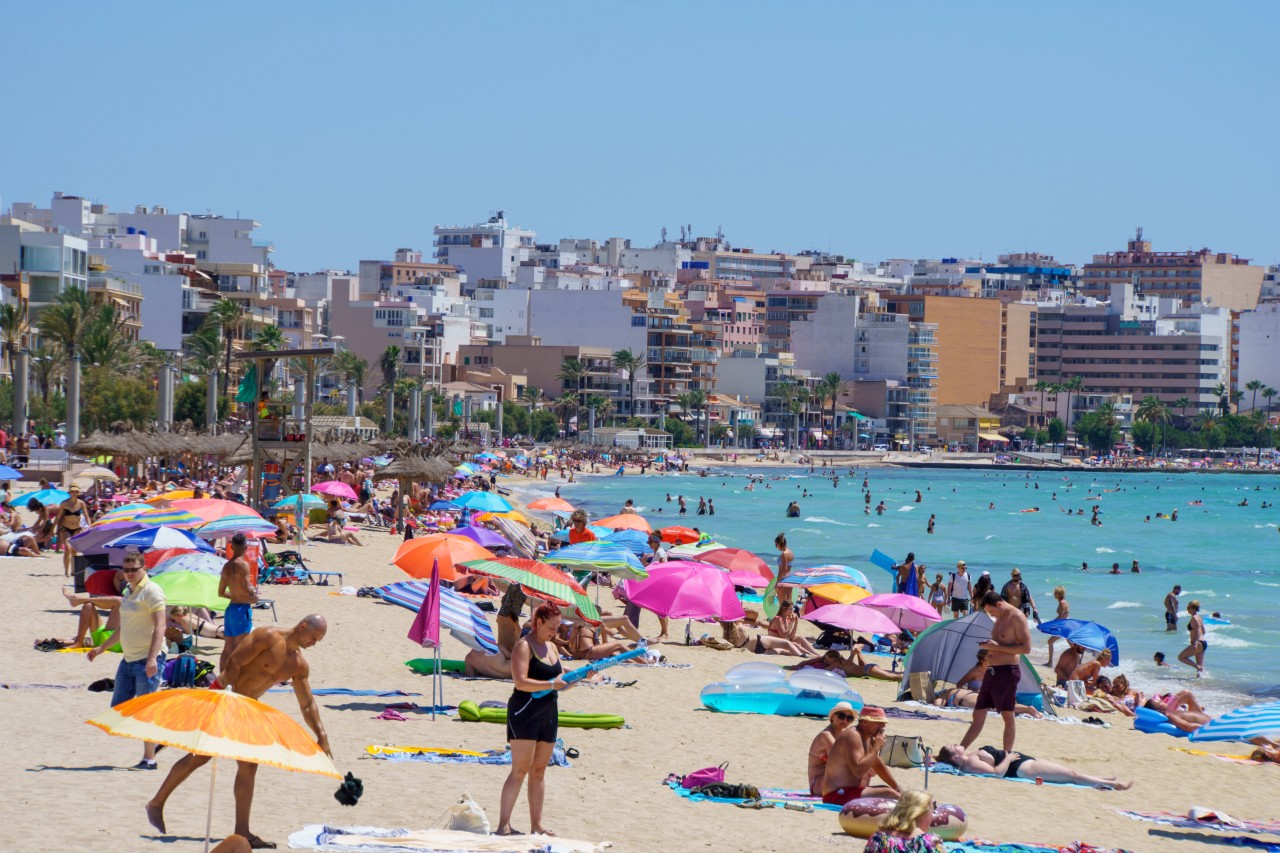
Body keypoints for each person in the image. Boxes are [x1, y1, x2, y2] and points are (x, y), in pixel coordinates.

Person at [147, 616, 331, 849]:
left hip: (248, 706)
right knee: (200, 756)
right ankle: (156, 803)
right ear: (303, 626)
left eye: (318, 640)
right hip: (225, 694)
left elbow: (307, 704)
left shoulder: (298, 665)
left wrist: (322, 736)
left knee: (249, 765)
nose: (314, 642)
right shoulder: (268, 636)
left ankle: (242, 830)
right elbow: (234, 662)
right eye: (313, 637)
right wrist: (230, 696)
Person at [496, 603, 573, 837]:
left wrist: (583, 677)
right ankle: (503, 825)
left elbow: (561, 681)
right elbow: (520, 682)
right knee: (520, 769)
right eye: (551, 627)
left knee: (539, 770)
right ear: (538, 622)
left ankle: (536, 825)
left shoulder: (552, 647)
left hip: (548, 711)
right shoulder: (523, 646)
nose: (555, 632)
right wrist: (552, 684)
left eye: (557, 627)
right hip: (525, 711)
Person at [87, 551, 166, 770]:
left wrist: (152, 658)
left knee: (145, 709)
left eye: (134, 569)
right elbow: (124, 628)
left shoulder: (151, 591)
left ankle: (149, 759)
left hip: (148, 660)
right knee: (118, 709)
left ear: (144, 569)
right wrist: (101, 648)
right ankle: (156, 739)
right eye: (126, 569)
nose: (129, 573)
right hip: (129, 659)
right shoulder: (128, 591)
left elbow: (161, 626)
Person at [959, 591, 1030, 753]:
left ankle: (1007, 755)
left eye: (991, 611)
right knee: (978, 714)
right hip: (991, 671)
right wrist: (989, 646)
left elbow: (1026, 648)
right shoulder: (1000, 618)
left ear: (999, 604)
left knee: (1007, 715)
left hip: (1007, 672)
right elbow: (1001, 642)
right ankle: (960, 750)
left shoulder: (1017, 617)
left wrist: (995, 647)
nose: (991, 615)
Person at [934, 744, 1131, 790]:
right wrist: (1009, 758)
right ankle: (1114, 785)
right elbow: (996, 774)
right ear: (955, 756)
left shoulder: (969, 758)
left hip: (1024, 763)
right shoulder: (970, 763)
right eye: (953, 746)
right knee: (1071, 774)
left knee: (1070, 773)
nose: (956, 743)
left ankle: (1103, 779)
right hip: (1022, 768)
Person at [822, 706, 902, 805]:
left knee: (890, 790)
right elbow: (858, 771)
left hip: (851, 792)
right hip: (836, 795)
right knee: (890, 794)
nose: (883, 726)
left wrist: (897, 788)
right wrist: (876, 747)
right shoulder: (853, 735)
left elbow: (877, 764)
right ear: (864, 722)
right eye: (878, 723)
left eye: (884, 723)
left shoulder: (867, 736)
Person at [218, 533, 258, 672]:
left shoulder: (226, 567)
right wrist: (254, 596)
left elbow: (221, 592)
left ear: (231, 547)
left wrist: (234, 594)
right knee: (241, 647)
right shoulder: (244, 565)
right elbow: (248, 588)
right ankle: (235, 678)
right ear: (246, 547)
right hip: (242, 609)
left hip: (230, 610)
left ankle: (221, 678)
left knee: (227, 647)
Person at [863, 789, 946, 853]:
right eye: (932, 811)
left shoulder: (877, 839)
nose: (932, 816)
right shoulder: (928, 842)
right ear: (921, 813)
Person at [808, 701, 857, 796]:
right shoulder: (826, 735)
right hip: (818, 784)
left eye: (849, 718)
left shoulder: (842, 736)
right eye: (841, 716)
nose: (845, 720)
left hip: (830, 781)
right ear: (833, 716)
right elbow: (842, 761)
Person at [55, 485, 89, 577]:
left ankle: (73, 571)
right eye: (72, 491)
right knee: (67, 548)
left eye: (76, 492)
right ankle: (66, 571)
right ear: (69, 492)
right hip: (65, 528)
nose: (74, 493)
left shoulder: (81, 503)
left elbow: (86, 516)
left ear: (78, 493)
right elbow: (58, 517)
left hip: (77, 529)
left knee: (74, 550)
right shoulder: (64, 503)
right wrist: (53, 529)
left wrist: (89, 526)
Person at [1177, 600, 1207, 676]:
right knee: (1200, 668)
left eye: (1189, 607)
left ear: (1194, 608)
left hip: (1197, 643)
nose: (1187, 609)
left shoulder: (1194, 618)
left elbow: (1197, 630)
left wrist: (1195, 643)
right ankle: (1200, 683)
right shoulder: (1199, 617)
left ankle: (1198, 667)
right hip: (1203, 643)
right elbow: (1203, 631)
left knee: (1181, 657)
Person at [1045, 586, 1069, 666]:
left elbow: (1061, 617)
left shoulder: (1062, 603)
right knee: (1072, 646)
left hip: (1063, 626)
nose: (1054, 594)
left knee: (1050, 641)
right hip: (1066, 625)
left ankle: (1050, 662)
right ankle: (1077, 664)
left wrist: (1051, 623)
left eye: (1055, 593)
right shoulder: (1063, 602)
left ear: (1058, 594)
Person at [774, 533, 794, 606]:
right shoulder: (790, 552)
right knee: (789, 605)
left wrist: (777, 583)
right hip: (790, 579)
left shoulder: (784, 554)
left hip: (784, 580)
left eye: (776, 545)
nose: (776, 547)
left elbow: (783, 570)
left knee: (783, 606)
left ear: (779, 544)